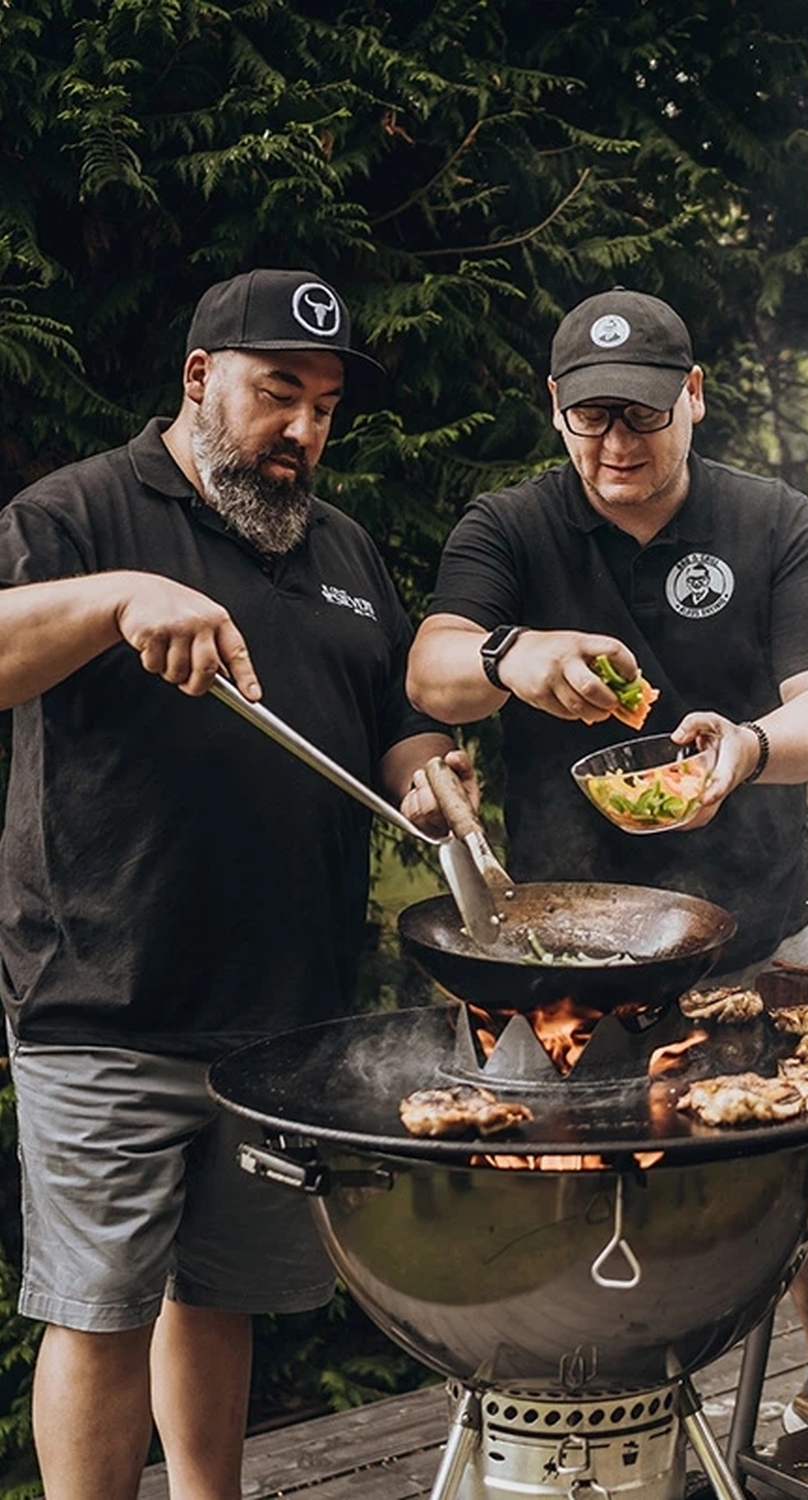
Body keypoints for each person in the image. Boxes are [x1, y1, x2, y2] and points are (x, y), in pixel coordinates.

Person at [0, 268, 471, 1500]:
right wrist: (117, 598)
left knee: (219, 1299)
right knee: (98, 1309)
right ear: (199, 378)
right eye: (279, 394)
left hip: (285, 1018)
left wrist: (428, 780)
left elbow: (396, 726)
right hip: (109, 996)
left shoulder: (344, 547)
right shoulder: (82, 512)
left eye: (323, 407)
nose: (303, 432)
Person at [406, 287, 808, 1425]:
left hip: (765, 921)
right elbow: (432, 670)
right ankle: (586, 1404)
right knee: (573, 1173)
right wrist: (514, 657)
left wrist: (753, 747)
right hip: (575, 945)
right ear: (556, 411)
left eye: (643, 415)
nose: (616, 443)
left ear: (695, 399)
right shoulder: (509, 528)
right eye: (590, 417)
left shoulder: (771, 522)